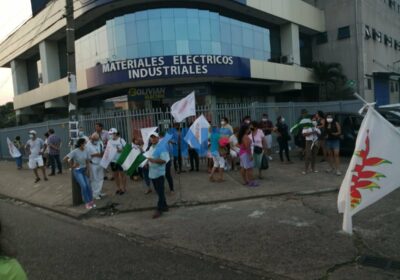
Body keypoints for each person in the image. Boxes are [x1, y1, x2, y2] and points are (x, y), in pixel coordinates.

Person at [64, 138, 95, 209]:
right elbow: (65, 159)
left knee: (88, 186)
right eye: (85, 143)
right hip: (78, 171)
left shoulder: (86, 150)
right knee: (83, 186)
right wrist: (72, 166)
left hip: (84, 170)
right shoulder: (75, 151)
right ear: (81, 144)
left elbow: (87, 161)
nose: (86, 145)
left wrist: (88, 170)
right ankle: (87, 202)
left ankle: (91, 201)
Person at [147, 132, 169, 219]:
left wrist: (154, 160)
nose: (153, 139)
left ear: (158, 138)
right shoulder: (150, 148)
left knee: (160, 192)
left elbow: (164, 160)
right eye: (151, 137)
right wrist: (147, 163)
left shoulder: (161, 148)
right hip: (152, 173)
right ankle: (165, 206)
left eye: (154, 137)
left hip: (159, 173)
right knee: (159, 191)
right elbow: (149, 158)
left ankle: (159, 209)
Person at [108, 128, 127, 194]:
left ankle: (123, 188)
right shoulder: (109, 141)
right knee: (115, 175)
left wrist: (121, 150)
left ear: (115, 133)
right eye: (109, 134)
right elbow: (108, 150)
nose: (110, 135)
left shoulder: (121, 140)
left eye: (111, 134)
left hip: (121, 160)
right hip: (113, 160)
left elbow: (126, 149)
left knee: (122, 174)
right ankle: (118, 188)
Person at [86, 133, 105, 200]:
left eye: (97, 139)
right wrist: (95, 155)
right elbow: (86, 156)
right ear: (91, 138)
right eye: (94, 139)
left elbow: (103, 151)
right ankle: (94, 194)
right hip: (92, 164)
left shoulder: (100, 143)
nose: (96, 141)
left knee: (101, 178)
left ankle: (98, 192)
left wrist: (102, 153)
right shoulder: (88, 145)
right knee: (94, 179)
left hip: (100, 163)